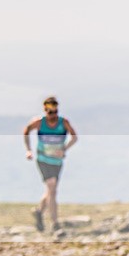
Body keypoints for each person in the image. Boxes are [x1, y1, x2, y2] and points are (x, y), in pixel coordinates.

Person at [23, 97, 77, 232]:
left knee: (50, 191)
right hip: (43, 159)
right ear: (45, 111)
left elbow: (74, 137)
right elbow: (26, 131)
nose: (52, 115)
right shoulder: (38, 123)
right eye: (50, 112)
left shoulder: (63, 122)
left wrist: (65, 149)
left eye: (55, 112)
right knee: (52, 187)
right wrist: (28, 150)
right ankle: (55, 223)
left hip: (57, 161)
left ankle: (39, 212)